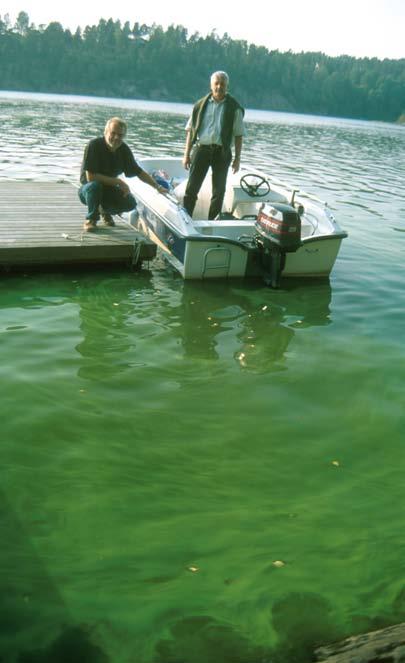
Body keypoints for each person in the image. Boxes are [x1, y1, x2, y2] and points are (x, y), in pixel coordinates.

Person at [79, 117, 167, 232]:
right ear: (105, 132)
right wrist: (119, 181)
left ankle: (105, 211)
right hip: (88, 190)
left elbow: (138, 172)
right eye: (113, 133)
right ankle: (91, 219)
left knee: (130, 203)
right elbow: (91, 177)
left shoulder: (124, 150)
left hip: (108, 189)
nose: (116, 138)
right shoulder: (94, 145)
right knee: (95, 186)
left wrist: (158, 186)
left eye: (120, 135)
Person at [182, 71, 245, 220]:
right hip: (201, 150)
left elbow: (239, 135)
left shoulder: (234, 107)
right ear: (211, 85)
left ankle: (213, 222)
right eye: (216, 83)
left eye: (222, 84)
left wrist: (237, 158)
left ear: (227, 86)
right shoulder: (200, 105)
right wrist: (186, 155)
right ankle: (185, 219)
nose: (219, 87)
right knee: (191, 188)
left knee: (219, 192)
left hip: (221, 152)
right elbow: (190, 131)